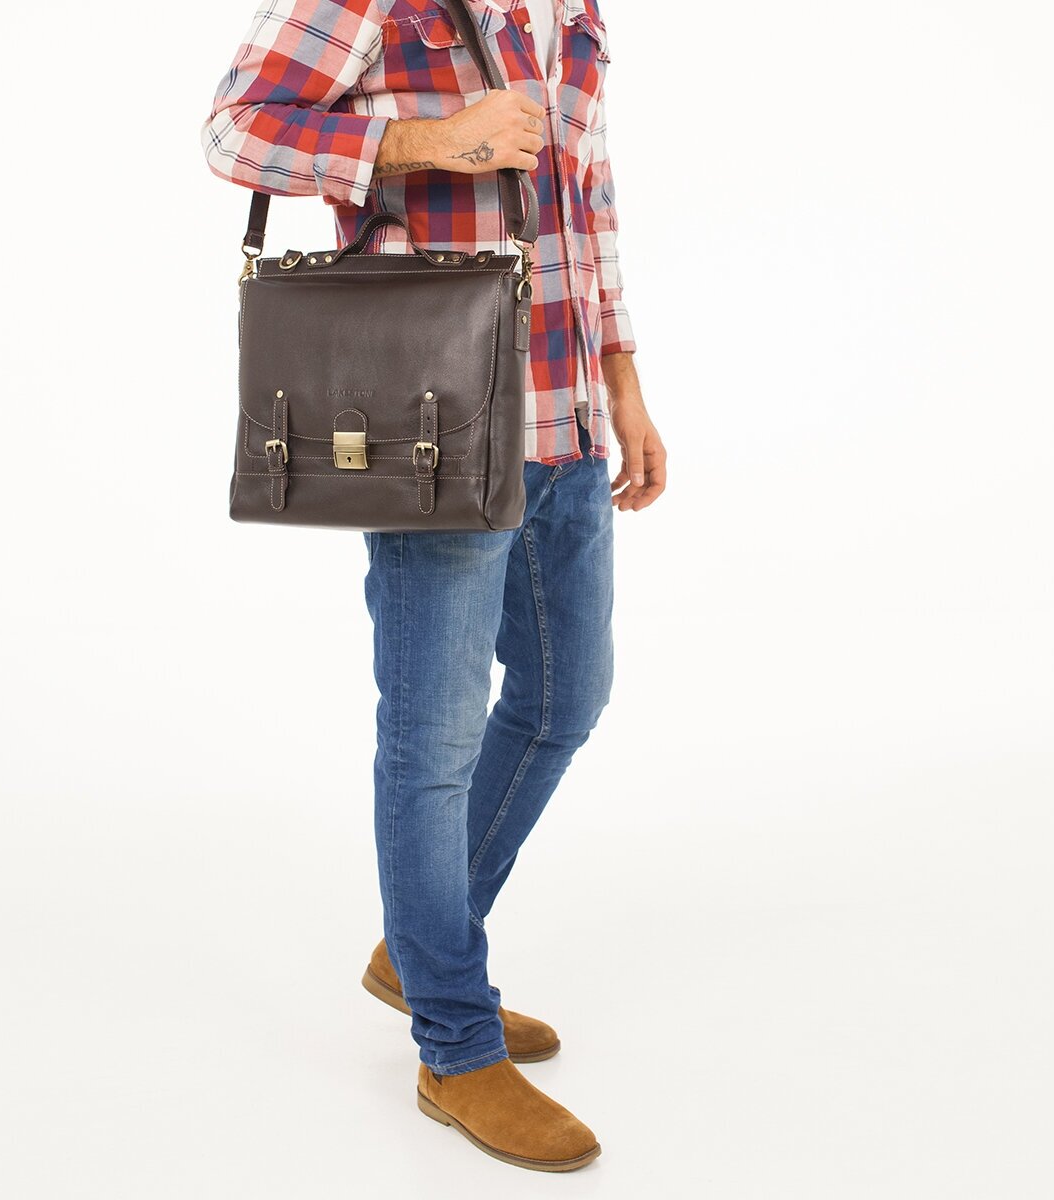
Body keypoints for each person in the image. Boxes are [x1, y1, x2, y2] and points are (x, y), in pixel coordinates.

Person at [202, 0, 666, 1172]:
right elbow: (235, 130)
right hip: (438, 425)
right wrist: (428, 139)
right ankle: (455, 1046)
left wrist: (624, 380)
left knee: (565, 699)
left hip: (564, 415)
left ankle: (418, 951)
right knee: (433, 742)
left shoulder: (571, 8)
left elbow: (588, 198)